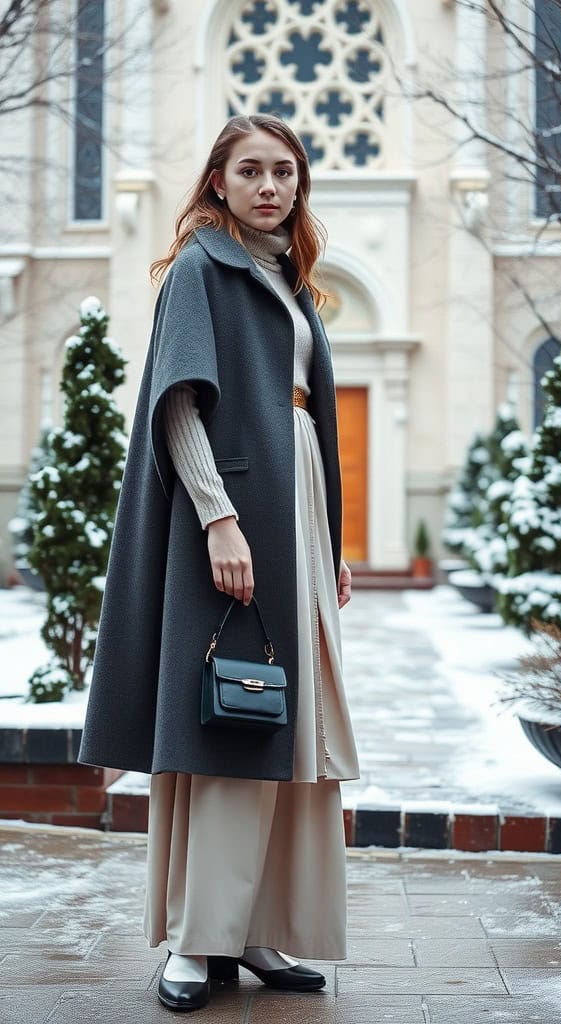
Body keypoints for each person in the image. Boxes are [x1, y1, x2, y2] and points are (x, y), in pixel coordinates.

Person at [78, 113, 359, 1012]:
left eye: (285, 171)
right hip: (237, 514)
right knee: (230, 719)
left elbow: (304, 413)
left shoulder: (285, 276)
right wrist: (219, 518)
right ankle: (197, 945)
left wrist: (329, 550)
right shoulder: (204, 265)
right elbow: (179, 408)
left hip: (296, 516)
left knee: (293, 725)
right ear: (218, 183)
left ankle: (261, 929)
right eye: (250, 170)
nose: (270, 185)